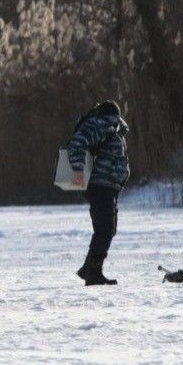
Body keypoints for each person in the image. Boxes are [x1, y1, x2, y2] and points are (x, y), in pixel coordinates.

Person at [67, 100, 130, 286]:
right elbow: (77, 144)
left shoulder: (112, 128)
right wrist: (78, 169)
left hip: (108, 185)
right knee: (105, 229)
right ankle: (93, 272)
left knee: (108, 229)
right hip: (100, 185)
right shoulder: (101, 124)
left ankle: (88, 268)